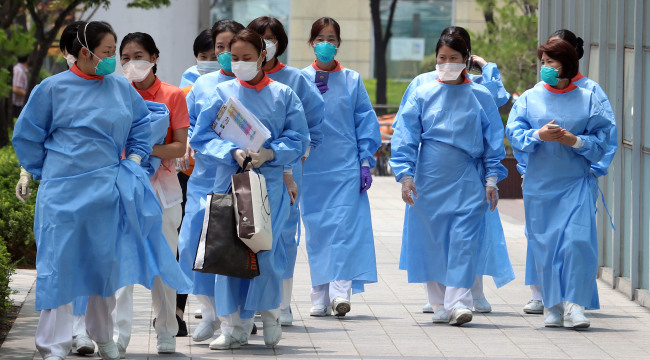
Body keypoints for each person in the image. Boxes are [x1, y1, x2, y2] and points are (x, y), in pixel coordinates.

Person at [12, 21, 191, 360]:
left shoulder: (121, 89)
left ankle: (103, 336)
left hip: (107, 190)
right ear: (84, 53)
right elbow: (29, 135)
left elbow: (143, 123)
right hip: (62, 192)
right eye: (109, 53)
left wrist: (137, 156)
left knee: (104, 267)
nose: (114, 60)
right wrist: (34, 170)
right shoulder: (51, 89)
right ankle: (54, 344)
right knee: (59, 266)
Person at [191, 29, 309, 349]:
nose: (241, 63)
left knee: (265, 253)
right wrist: (231, 152)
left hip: (268, 184)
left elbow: (299, 138)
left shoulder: (284, 94)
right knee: (230, 254)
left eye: (247, 57)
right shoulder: (221, 94)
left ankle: (270, 312)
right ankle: (233, 326)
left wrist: (271, 153)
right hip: (231, 182)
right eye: (235, 57)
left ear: (262, 56)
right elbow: (201, 137)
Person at [390, 33, 507, 326]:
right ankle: (438, 304)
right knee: (433, 241)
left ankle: (459, 303)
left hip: (468, 178)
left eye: (454, 58)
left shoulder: (481, 96)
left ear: (466, 59)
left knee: (464, 241)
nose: (447, 64)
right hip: (429, 178)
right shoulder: (422, 93)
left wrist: (492, 179)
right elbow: (405, 137)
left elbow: (493, 140)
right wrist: (405, 176)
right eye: (442, 58)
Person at [506, 39, 612, 328]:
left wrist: (574, 140)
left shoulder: (588, 98)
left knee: (577, 243)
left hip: (575, 183)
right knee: (546, 246)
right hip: (540, 185)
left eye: (551, 62)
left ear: (567, 64)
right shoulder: (529, 98)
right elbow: (514, 135)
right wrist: (538, 135)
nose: (545, 68)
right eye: (543, 63)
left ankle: (575, 306)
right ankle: (552, 305)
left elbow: (603, 141)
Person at [111, 31, 190, 356]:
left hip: (163, 193)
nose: (132, 63)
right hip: (124, 191)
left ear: (155, 57)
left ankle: (167, 331)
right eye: (125, 58)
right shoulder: (114, 93)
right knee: (120, 264)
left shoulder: (173, 95)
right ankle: (118, 336)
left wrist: (144, 150)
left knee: (164, 265)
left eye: (139, 56)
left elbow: (179, 147)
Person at [300, 17, 381, 318]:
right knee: (318, 232)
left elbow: (365, 122)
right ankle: (319, 293)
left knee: (345, 229)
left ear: (338, 44)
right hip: (312, 169)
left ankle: (339, 292)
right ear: (311, 43)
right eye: (320, 38)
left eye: (331, 38)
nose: (326, 44)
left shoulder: (352, 79)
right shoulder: (300, 80)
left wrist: (364, 162)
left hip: (346, 167)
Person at [247, 15, 324, 326]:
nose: (266, 43)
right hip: (246, 168)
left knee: (283, 236)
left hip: (284, 170)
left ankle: (282, 302)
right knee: (248, 234)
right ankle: (249, 301)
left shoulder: (295, 80)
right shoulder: (238, 82)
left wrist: (297, 157)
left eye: (271, 37)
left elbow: (314, 123)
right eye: (259, 37)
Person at [177, 19, 244, 343]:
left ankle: (234, 320)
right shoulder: (201, 86)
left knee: (230, 250)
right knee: (190, 244)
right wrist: (187, 141)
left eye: (233, 46)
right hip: (203, 177)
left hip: (240, 179)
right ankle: (208, 311)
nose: (226, 53)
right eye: (220, 47)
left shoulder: (257, 87)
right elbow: (185, 125)